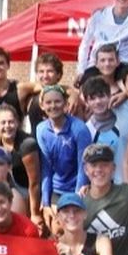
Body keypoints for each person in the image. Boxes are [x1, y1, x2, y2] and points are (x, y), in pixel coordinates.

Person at [35, 85, 92, 229]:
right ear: (42, 105)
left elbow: (83, 166)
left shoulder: (79, 129)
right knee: (57, 228)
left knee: (74, 226)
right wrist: (45, 201)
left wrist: (76, 199)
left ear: (66, 104)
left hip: (77, 188)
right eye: (48, 102)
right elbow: (46, 168)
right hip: (57, 189)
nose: (53, 106)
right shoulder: (41, 130)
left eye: (57, 101)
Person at [0, 105, 41, 223]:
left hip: (26, 189)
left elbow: (34, 182)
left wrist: (35, 213)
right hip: (5, 186)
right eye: (3, 123)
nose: (7, 126)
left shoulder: (27, 145)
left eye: (11, 122)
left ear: (17, 123)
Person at [0, 47, 40, 135]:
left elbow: (41, 86)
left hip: (16, 141)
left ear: (8, 65)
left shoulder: (20, 88)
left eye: (1, 63)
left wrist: (45, 94)